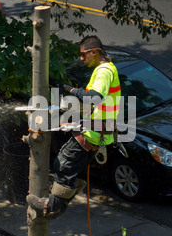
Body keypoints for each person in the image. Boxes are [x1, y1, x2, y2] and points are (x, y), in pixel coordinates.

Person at [26, 35, 121, 219]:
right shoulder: (108, 69)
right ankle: (60, 206)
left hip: (93, 132)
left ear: (94, 52)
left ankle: (49, 207)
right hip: (97, 131)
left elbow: (93, 97)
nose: (81, 58)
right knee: (73, 170)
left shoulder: (103, 71)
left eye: (83, 54)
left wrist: (71, 90)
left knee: (63, 164)